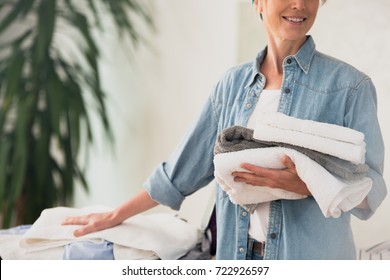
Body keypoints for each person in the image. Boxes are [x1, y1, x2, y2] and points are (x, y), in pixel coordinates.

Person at [63, 0, 387, 260]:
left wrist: (310, 184)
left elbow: (371, 191)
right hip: (237, 258)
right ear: (258, 2)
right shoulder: (231, 87)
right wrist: (113, 215)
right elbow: (178, 174)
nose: (299, 5)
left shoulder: (350, 87)